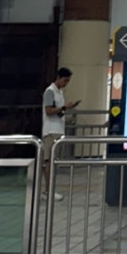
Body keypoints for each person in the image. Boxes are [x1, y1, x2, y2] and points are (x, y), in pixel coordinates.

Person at [41, 67, 79, 200]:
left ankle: (50, 189)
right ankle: (47, 191)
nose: (66, 83)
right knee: (48, 161)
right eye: (65, 80)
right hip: (50, 131)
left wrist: (66, 108)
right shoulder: (50, 91)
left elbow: (58, 112)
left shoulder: (60, 93)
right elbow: (48, 111)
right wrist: (64, 107)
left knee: (52, 162)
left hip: (57, 129)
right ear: (58, 77)